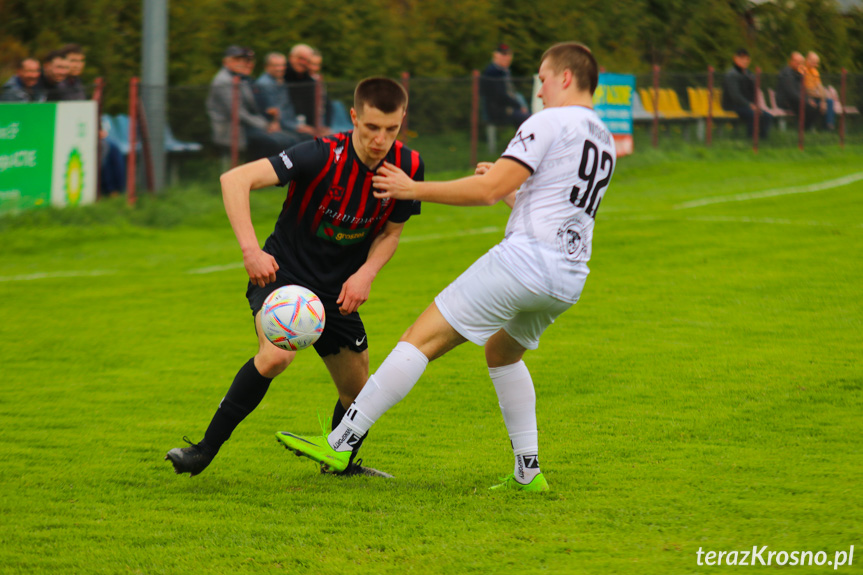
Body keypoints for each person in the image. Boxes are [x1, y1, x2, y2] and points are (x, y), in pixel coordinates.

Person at [277, 42, 616, 493]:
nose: (540, 90)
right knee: (502, 353)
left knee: (419, 339)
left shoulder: (550, 120)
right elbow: (548, 206)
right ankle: (528, 472)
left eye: (542, 79)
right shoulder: (604, 137)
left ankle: (341, 441)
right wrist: (509, 188)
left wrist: (410, 188)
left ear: (566, 78)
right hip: (568, 276)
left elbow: (488, 193)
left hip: (524, 263)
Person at [166, 77, 425, 478]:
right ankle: (202, 451)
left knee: (359, 393)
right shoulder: (320, 155)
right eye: (371, 128)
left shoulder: (407, 167)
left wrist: (366, 274)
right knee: (276, 355)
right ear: (354, 117)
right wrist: (252, 250)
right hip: (282, 274)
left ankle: (339, 464)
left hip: (338, 289)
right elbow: (234, 180)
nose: (380, 139)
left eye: (390, 130)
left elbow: (391, 233)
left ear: (402, 120)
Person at [206, 45, 301, 160]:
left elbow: (255, 108)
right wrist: (265, 125)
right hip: (233, 129)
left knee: (290, 139)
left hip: (249, 126)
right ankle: (259, 175)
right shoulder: (223, 81)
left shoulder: (241, 77)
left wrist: (269, 122)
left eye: (244, 60)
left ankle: (281, 175)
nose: (242, 63)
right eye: (237, 60)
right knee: (274, 142)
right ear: (226, 62)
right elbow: (238, 113)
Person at [253, 52, 316, 142]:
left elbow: (287, 107)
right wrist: (296, 127)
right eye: (276, 66)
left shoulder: (280, 81)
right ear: (267, 67)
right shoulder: (265, 84)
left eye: (282, 65)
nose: (280, 69)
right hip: (276, 127)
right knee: (301, 140)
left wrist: (298, 125)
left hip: (289, 124)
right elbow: (274, 111)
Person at [721, 48, 771, 139]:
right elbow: (735, 95)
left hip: (746, 105)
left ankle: (763, 139)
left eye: (747, 59)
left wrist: (755, 105)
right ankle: (751, 139)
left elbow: (753, 91)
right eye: (742, 58)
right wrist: (749, 105)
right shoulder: (731, 74)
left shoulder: (749, 74)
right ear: (735, 59)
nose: (745, 61)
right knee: (752, 115)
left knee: (767, 116)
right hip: (732, 105)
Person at [480, 43, 531, 128]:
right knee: (526, 118)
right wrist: (518, 105)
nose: (506, 57)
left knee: (528, 115)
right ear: (495, 55)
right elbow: (500, 96)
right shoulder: (492, 72)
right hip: (498, 110)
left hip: (506, 107)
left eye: (508, 54)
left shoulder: (504, 71)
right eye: (503, 54)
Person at [776, 51, 820, 130]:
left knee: (815, 107)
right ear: (791, 62)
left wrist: (808, 99)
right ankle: (803, 130)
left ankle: (804, 130)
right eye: (797, 62)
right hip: (786, 101)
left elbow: (802, 90)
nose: (799, 64)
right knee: (810, 108)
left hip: (795, 100)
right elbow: (792, 93)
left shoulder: (798, 73)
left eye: (801, 62)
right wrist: (806, 101)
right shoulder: (786, 73)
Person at [283, 44, 319, 128]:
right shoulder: (281, 76)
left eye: (307, 60)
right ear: (291, 57)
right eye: (300, 58)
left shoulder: (309, 80)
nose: (303, 62)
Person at [802, 51, 835, 130]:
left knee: (829, 101)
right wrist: (819, 97)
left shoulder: (815, 71)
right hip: (806, 98)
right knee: (814, 105)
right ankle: (808, 129)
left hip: (816, 96)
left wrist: (823, 100)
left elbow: (820, 87)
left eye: (817, 63)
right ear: (808, 60)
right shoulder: (802, 70)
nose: (816, 65)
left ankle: (828, 126)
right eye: (814, 63)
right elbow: (805, 89)